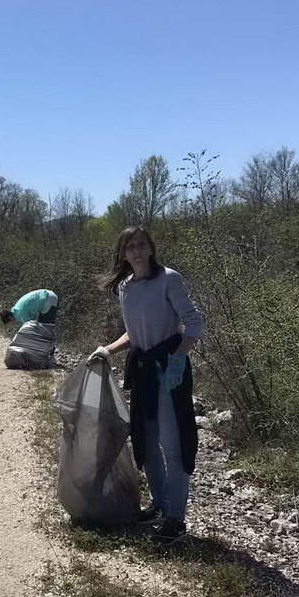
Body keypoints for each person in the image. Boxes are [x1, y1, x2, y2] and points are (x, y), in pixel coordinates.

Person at [88, 226, 203, 541]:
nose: (137, 251)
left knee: (172, 443)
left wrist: (179, 357)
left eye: (141, 244)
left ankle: (176, 520)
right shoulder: (125, 287)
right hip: (141, 369)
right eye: (130, 246)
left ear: (150, 248)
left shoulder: (169, 279)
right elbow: (134, 332)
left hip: (168, 368)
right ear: (124, 254)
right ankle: (159, 504)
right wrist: (108, 349)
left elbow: (193, 322)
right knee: (146, 441)